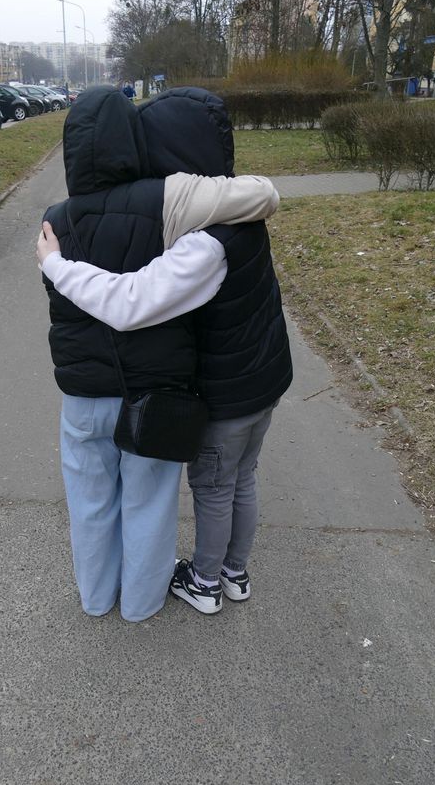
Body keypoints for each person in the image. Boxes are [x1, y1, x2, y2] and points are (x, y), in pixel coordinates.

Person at [38, 86, 293, 615]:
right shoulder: (165, 210)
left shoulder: (55, 220)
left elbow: (112, 301)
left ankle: (95, 598)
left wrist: (56, 265)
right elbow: (146, 298)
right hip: (156, 392)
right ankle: (143, 603)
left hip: (83, 395)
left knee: (89, 504)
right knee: (149, 503)